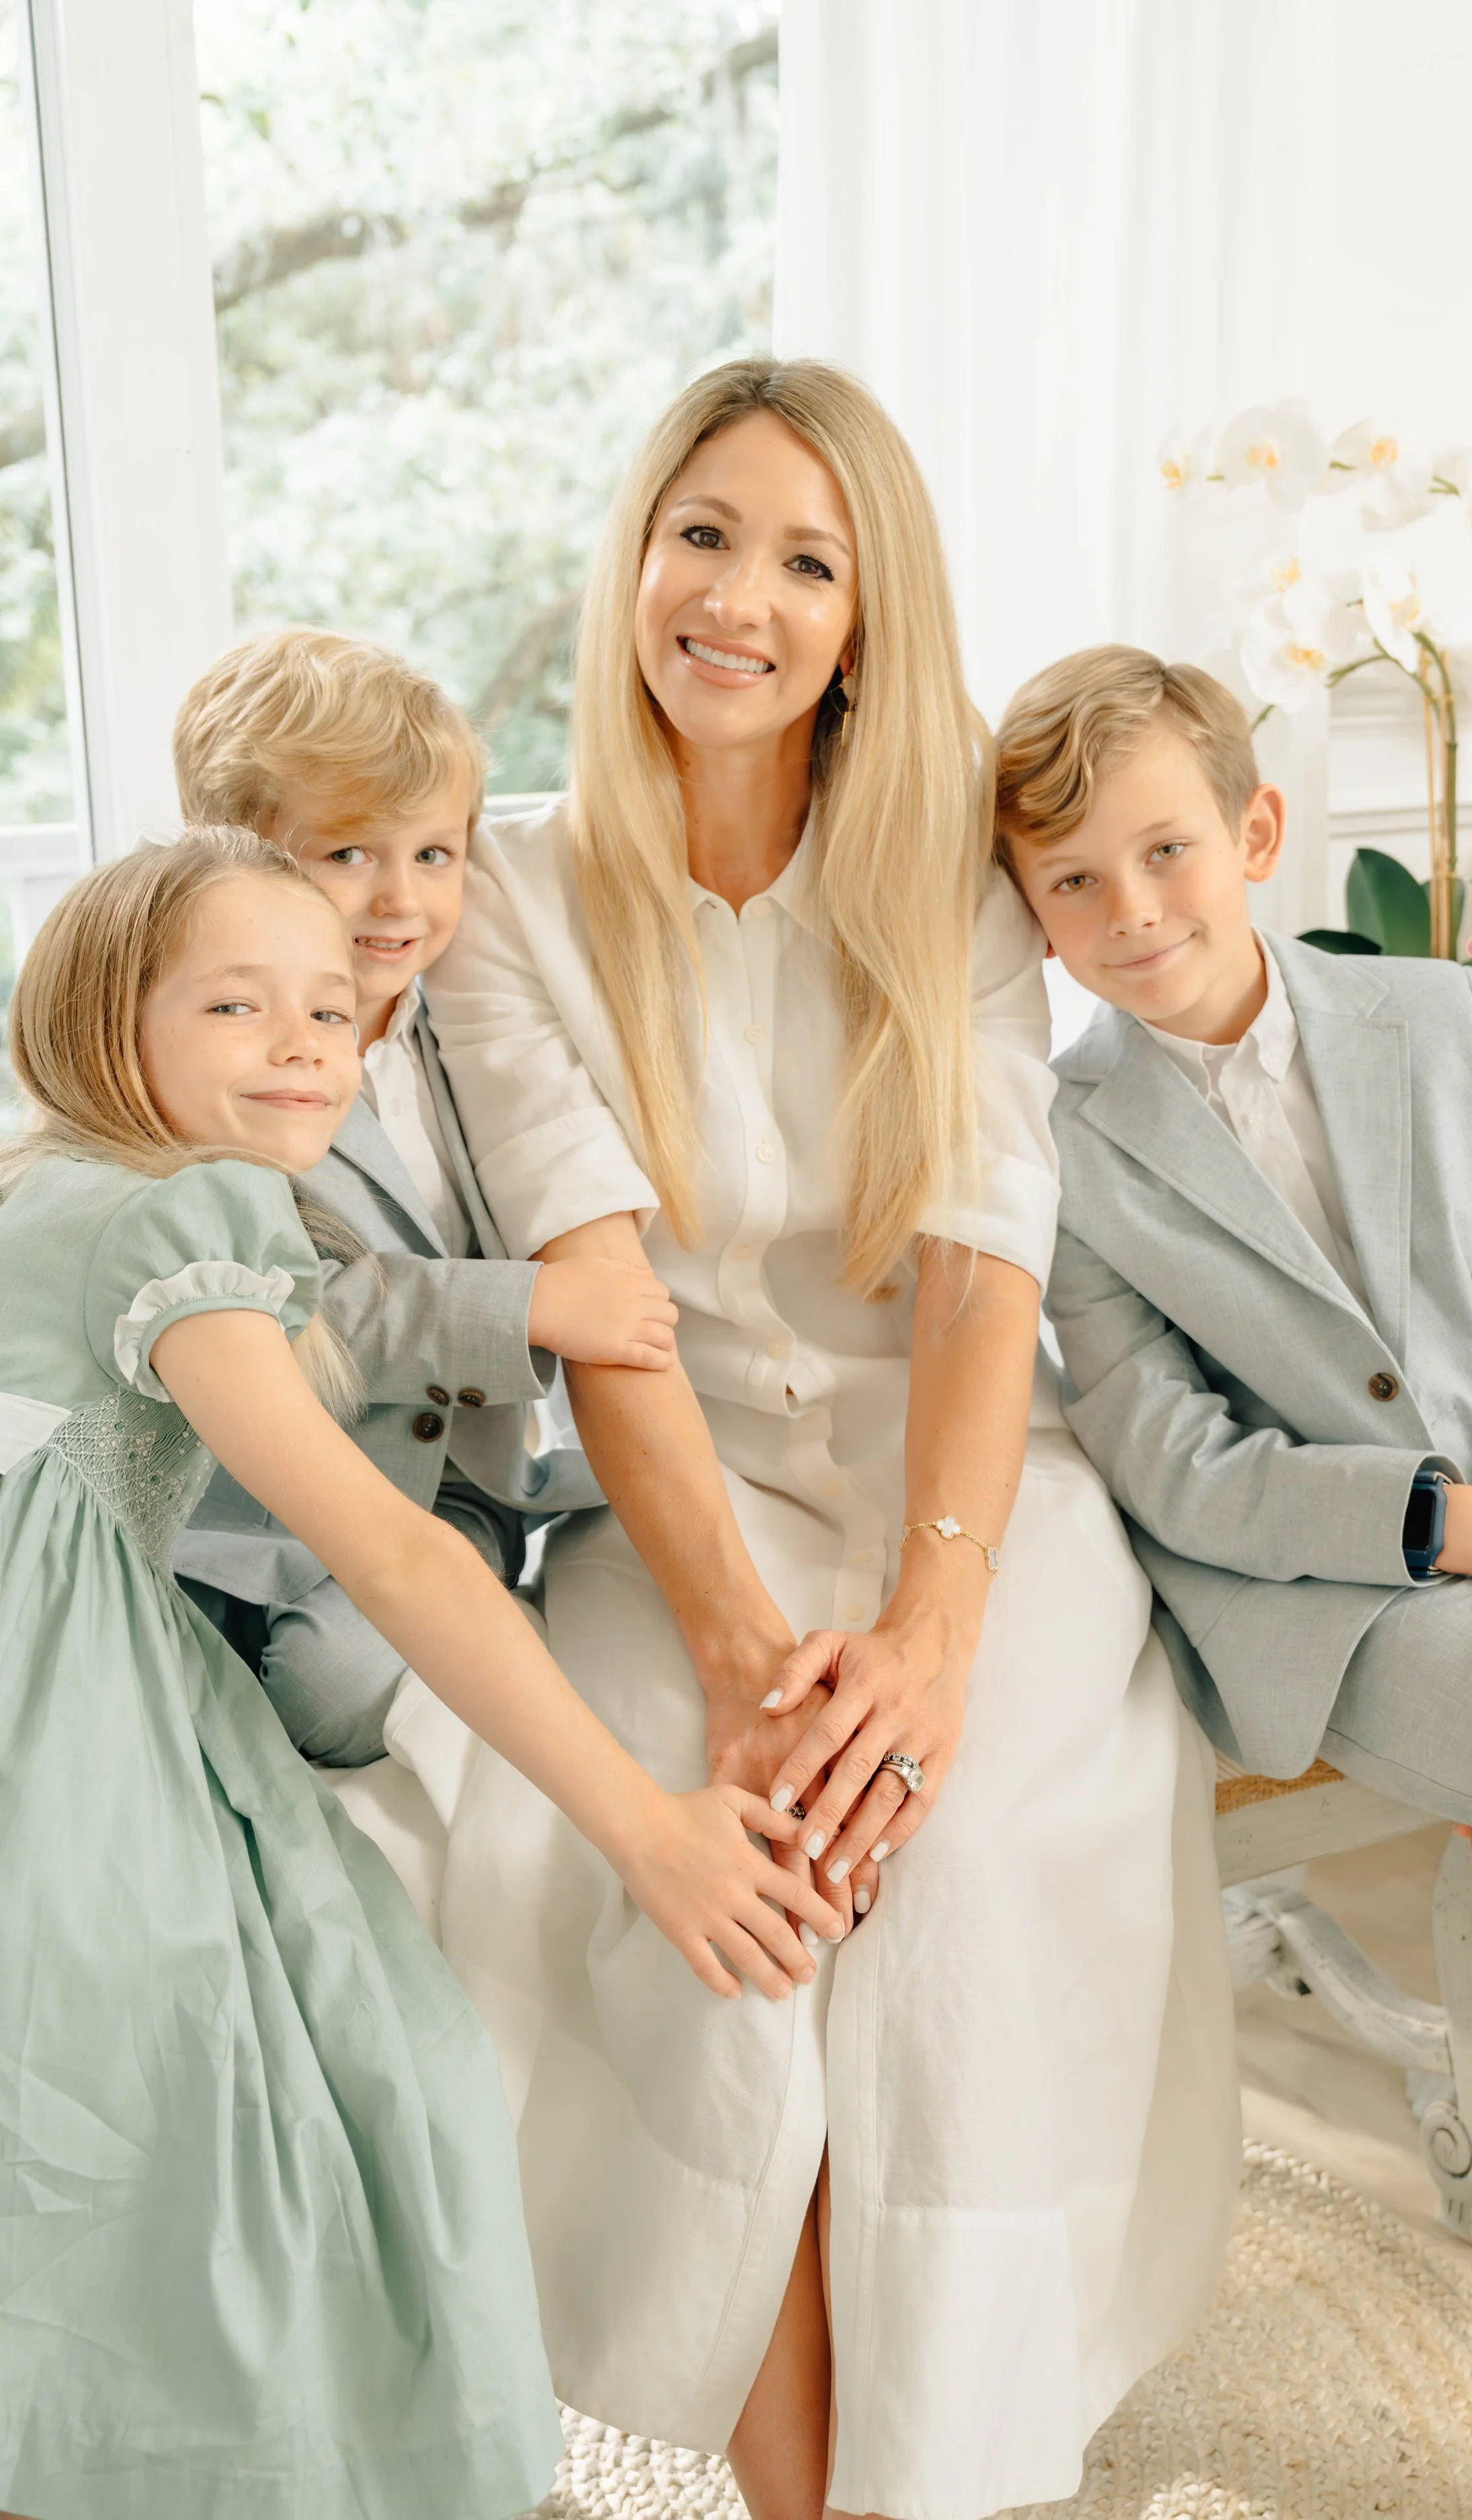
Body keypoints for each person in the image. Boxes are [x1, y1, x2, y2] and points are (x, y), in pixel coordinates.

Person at [416, 358, 1241, 2520]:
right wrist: (738, 1663)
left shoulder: (943, 869)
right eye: (704, 535)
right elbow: (602, 1309)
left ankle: (936, 2475)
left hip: (965, 1494)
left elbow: (984, 1263)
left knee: (943, 1863)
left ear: (866, 616)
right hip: (665, 1501)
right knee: (735, 1873)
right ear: (632, 560)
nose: (742, 599)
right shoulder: (507, 891)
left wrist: (933, 1628)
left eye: (808, 559)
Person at [0, 827, 843, 2520]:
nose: (308, 1041)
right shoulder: (185, 1211)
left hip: (75, 1657)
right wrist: (644, 1825)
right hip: (62, 1712)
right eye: (238, 1007)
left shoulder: (44, 1184)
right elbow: (390, 1550)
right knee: (328, 2090)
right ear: (110, 1025)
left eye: (331, 1006)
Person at [1006, 641, 1472, 2520]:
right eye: (1072, 881)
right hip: (1320, 1604)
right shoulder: (1059, 1142)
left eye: (1162, 852)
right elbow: (1175, 1464)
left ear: (1257, 828)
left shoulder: (1435, 1017)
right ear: (1031, 912)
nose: (1129, 910)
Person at [170, 628, 662, 1767]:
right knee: (262, 1678)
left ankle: (473, 1574)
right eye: (348, 854)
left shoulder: (467, 1035)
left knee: (339, 1685)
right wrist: (527, 1306)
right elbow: (287, 1305)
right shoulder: (227, 1060)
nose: (400, 898)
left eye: (437, 855)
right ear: (231, 857)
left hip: (451, 1492)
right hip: (254, 1499)